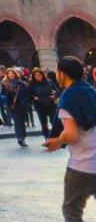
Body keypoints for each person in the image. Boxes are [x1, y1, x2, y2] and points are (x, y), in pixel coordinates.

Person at [45, 56, 96, 221]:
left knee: (71, 209)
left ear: (62, 73)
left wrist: (58, 140)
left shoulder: (68, 96)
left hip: (83, 164)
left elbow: (72, 134)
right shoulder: (91, 90)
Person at [33, 68, 61, 140]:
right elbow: (29, 94)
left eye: (39, 75)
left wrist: (54, 96)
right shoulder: (32, 84)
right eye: (35, 75)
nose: (37, 77)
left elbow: (57, 91)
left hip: (51, 104)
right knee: (43, 123)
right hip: (40, 106)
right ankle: (47, 138)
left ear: (42, 75)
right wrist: (33, 97)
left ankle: (56, 136)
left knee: (53, 121)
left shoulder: (49, 82)